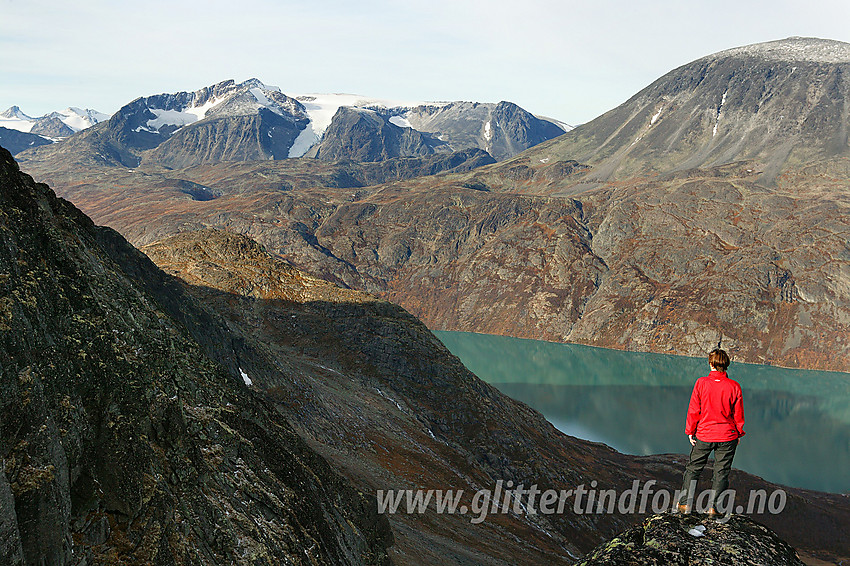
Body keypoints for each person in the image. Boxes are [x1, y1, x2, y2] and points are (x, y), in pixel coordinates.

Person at [677, 348, 745, 516]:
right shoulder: (734, 386)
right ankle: (714, 508)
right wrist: (738, 433)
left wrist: (690, 431)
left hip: (705, 434)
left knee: (693, 469)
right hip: (727, 435)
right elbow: (738, 415)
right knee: (721, 472)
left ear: (711, 364)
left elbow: (694, 410)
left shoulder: (701, 383)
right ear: (726, 365)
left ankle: (685, 505)